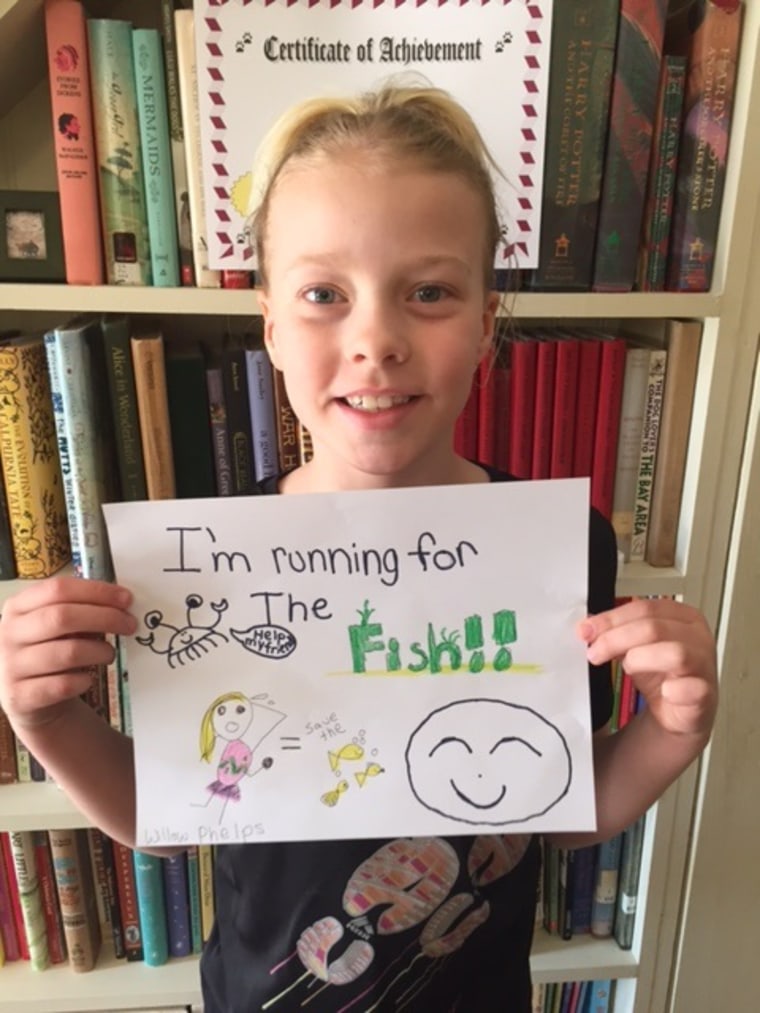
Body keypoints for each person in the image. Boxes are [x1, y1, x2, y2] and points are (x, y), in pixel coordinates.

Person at [0, 83, 717, 1012]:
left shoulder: (562, 549)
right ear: (268, 327)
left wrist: (672, 727)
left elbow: (560, 814)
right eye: (323, 294)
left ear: (487, 321)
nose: (375, 339)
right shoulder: (214, 569)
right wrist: (48, 720)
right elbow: (169, 821)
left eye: (429, 291)